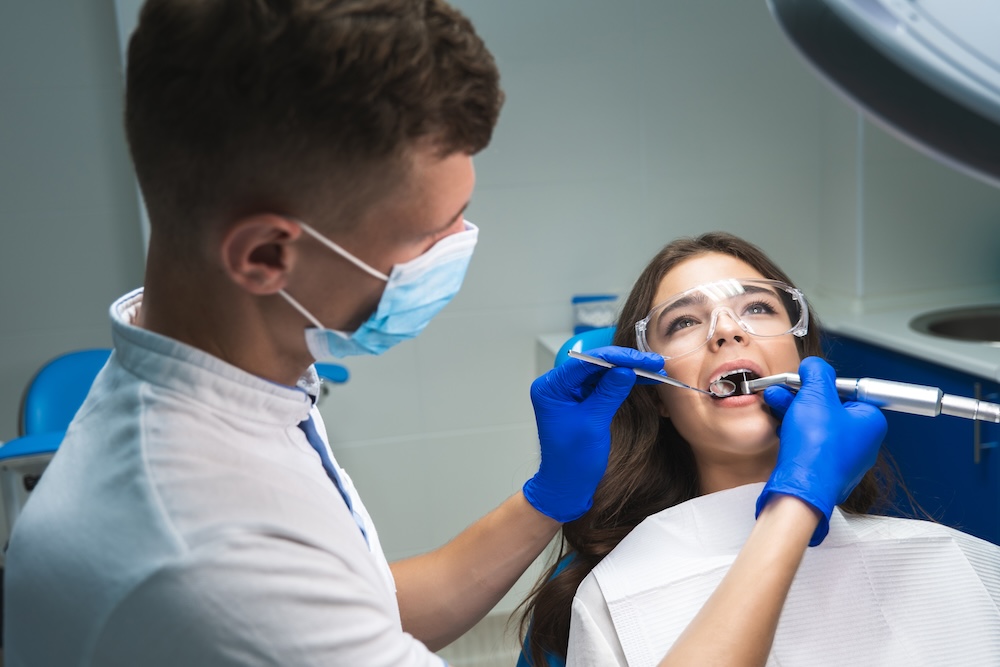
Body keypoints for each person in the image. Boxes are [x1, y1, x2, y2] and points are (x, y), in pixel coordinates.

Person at [2, 1, 886, 664]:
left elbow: (364, 603)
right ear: (268, 254)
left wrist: (546, 496)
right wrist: (797, 504)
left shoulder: (229, 384)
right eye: (427, 236)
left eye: (757, 308)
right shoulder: (208, 556)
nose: (455, 252)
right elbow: (291, 609)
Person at [518, 232, 1000, 666]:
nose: (727, 330)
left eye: (757, 308)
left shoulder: (939, 561)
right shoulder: (608, 597)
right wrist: (800, 494)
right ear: (655, 395)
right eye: (684, 321)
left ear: (803, 360)